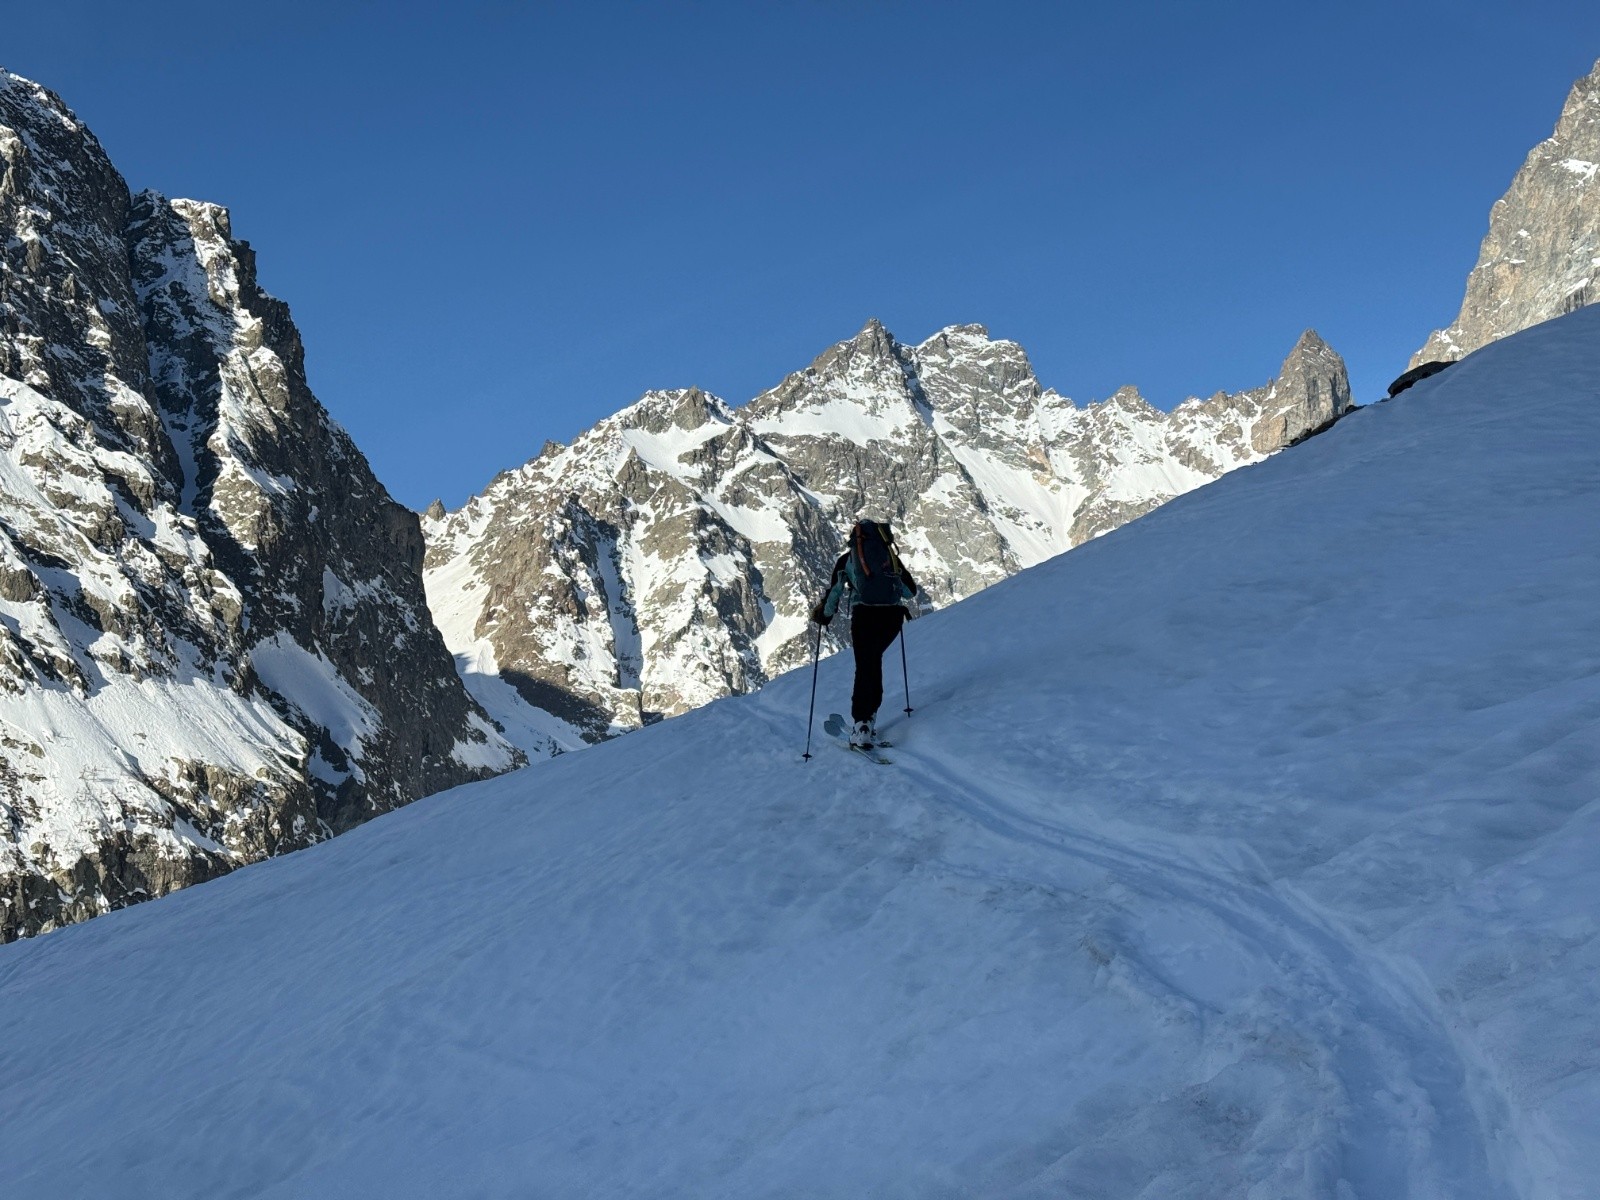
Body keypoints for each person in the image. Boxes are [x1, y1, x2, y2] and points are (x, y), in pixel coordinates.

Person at [810, 519, 921, 749]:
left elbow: (835, 594)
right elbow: (910, 592)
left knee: (866, 666)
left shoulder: (848, 560)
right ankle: (869, 718)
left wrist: (824, 616)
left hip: (864, 618)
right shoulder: (889, 558)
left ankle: (861, 724)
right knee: (873, 662)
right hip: (891, 619)